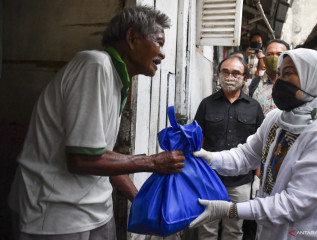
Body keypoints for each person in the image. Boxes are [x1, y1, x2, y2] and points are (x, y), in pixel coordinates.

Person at [8, 6, 185, 240]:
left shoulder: (116, 80)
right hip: (55, 217)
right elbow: (83, 159)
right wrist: (152, 162)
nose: (162, 54)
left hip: (96, 212)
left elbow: (102, 153)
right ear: (132, 38)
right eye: (159, 42)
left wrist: (140, 200)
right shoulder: (95, 65)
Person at [190, 48, 317, 239]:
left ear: (312, 78)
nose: (280, 81)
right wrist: (210, 159)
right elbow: (246, 155)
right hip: (270, 229)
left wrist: (232, 210)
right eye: (280, 73)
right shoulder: (277, 118)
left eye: (288, 73)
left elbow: (295, 203)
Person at [194, 55, 264, 240]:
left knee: (233, 230)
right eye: (225, 72)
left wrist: (258, 175)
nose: (230, 77)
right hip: (209, 178)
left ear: (244, 78)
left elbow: (260, 145)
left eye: (235, 73)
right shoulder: (206, 104)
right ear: (218, 74)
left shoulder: (254, 107)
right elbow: (197, 140)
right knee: (206, 228)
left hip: (240, 182)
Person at [244, 39, 290, 116]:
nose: (274, 58)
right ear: (264, 59)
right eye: (270, 54)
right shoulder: (250, 86)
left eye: (279, 54)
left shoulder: (295, 86)